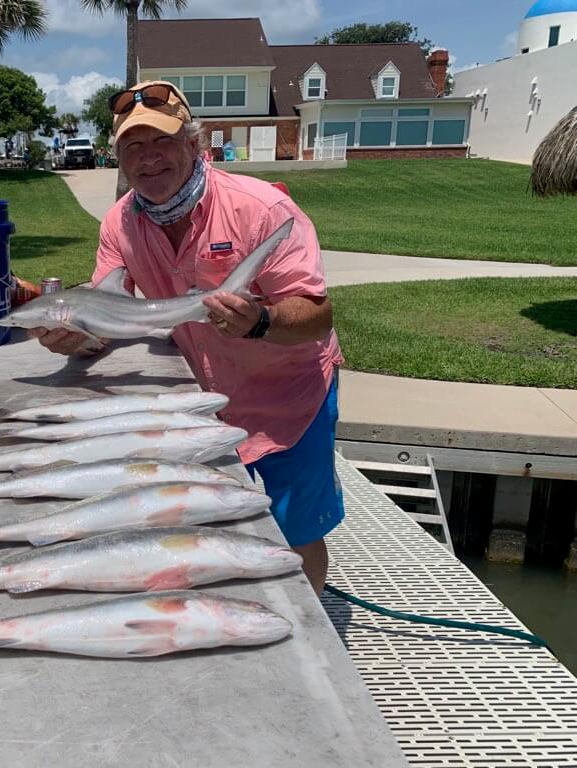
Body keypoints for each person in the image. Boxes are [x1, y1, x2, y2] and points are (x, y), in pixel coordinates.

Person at [29, 81, 344, 595]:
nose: (148, 157)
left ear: (194, 144)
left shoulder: (260, 209)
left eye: (163, 141)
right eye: (133, 146)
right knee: (208, 534)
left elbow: (318, 316)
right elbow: (111, 311)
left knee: (297, 532)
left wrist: (260, 321)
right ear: (119, 158)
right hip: (201, 404)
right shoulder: (119, 224)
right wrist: (76, 336)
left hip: (291, 399)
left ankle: (309, 627)